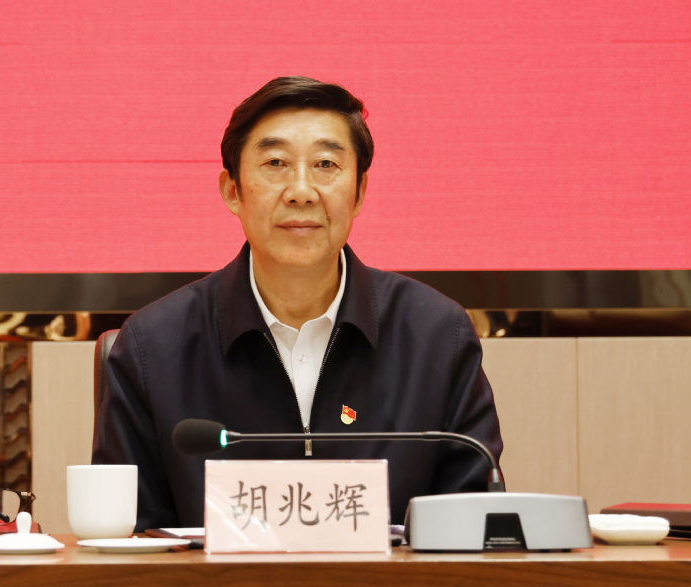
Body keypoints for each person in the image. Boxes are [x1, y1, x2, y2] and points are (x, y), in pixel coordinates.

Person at [92, 76, 503, 531]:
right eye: (276, 163)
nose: (301, 191)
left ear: (359, 192)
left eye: (326, 164)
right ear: (232, 191)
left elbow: (473, 530)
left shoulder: (437, 337)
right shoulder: (153, 347)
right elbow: (129, 539)